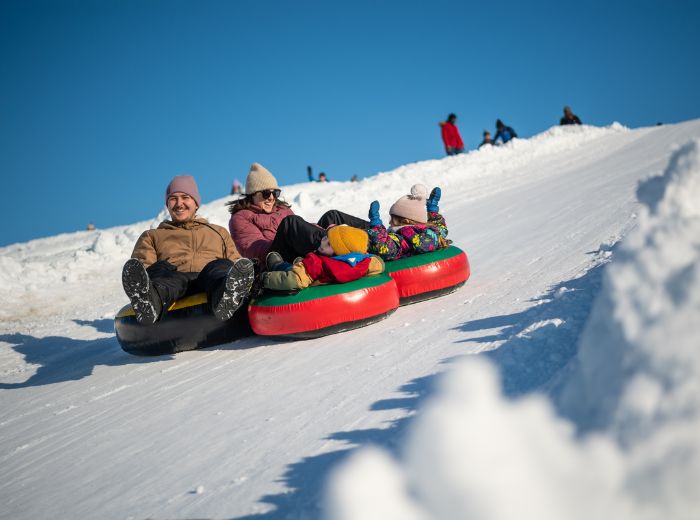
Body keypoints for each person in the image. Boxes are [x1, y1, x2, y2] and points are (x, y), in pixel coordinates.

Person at [122, 175, 255, 325]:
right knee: (160, 269)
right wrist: (148, 279)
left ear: (196, 203)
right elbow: (144, 269)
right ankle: (150, 302)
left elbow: (235, 262)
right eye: (173, 198)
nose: (179, 204)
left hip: (209, 280)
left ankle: (225, 299)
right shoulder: (152, 236)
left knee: (221, 265)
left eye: (185, 197)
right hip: (173, 284)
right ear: (167, 205)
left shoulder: (218, 232)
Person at [228, 163, 369, 265]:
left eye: (275, 193)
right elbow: (256, 251)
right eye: (266, 193)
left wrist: (318, 229)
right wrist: (287, 236)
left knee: (332, 215)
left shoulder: (281, 209)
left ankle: (375, 235)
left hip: (296, 248)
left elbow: (302, 231)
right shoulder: (240, 217)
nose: (271, 198)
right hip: (275, 259)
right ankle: (338, 243)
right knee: (290, 223)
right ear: (252, 195)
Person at [260, 225, 385, 292]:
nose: (323, 241)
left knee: (289, 269)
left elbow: (293, 280)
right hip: (318, 273)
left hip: (307, 274)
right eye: (326, 237)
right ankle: (300, 263)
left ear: (339, 254)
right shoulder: (364, 261)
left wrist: (263, 279)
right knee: (302, 264)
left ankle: (279, 265)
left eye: (329, 244)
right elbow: (380, 264)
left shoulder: (319, 263)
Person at [367, 184, 449, 261]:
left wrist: (376, 225)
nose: (389, 222)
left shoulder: (403, 238)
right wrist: (432, 211)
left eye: (392, 219)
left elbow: (384, 248)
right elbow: (441, 228)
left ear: (405, 221)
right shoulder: (432, 233)